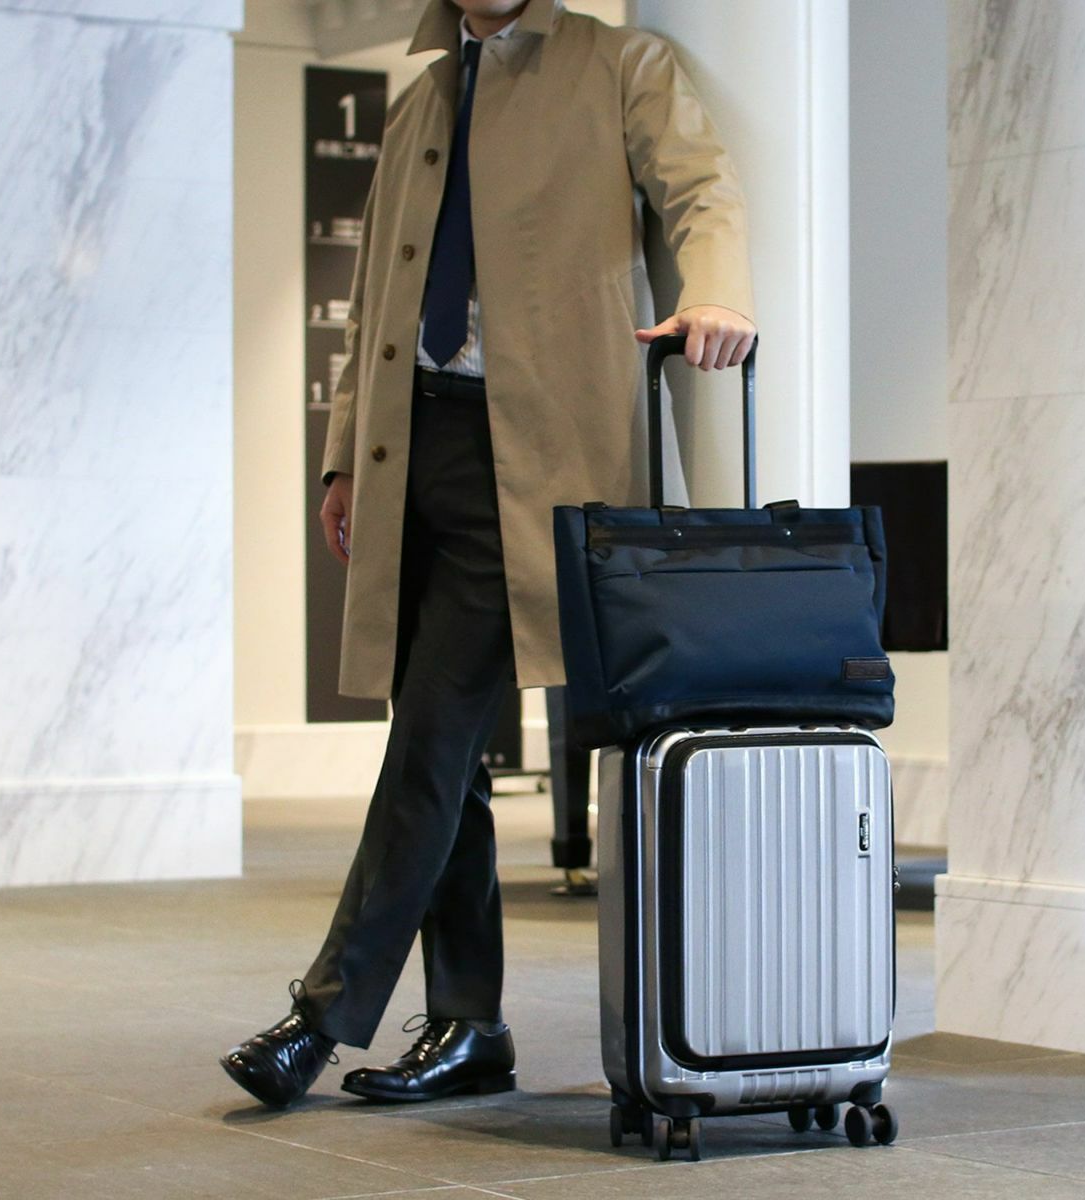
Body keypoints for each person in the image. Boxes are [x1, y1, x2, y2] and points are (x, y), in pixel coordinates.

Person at [221, 0, 755, 1108]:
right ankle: (470, 1025)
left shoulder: (620, 64)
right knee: (445, 753)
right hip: (406, 450)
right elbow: (371, 299)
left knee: (429, 741)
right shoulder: (419, 99)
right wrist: (342, 459)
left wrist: (715, 292)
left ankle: (323, 1016)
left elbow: (700, 187)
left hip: (530, 452)